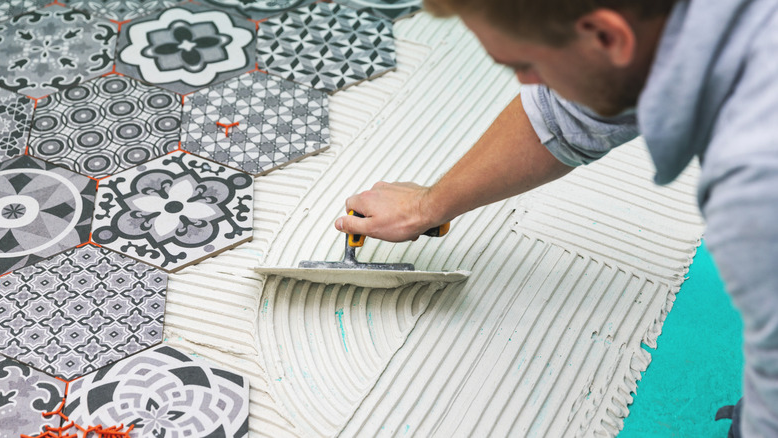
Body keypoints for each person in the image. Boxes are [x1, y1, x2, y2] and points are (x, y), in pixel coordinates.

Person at [333, 0, 778, 436]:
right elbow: (565, 113)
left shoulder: (755, 190)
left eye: (527, 64)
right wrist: (427, 205)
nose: (528, 83)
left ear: (607, 37)